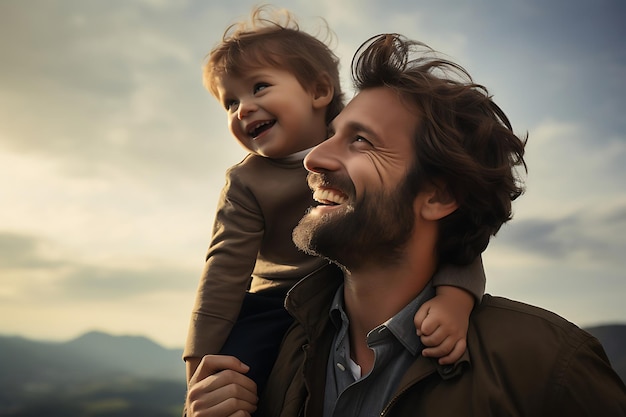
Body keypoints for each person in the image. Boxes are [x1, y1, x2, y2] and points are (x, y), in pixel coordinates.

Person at [185, 33, 626, 416]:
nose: (315, 159)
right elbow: (220, 278)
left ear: (438, 196)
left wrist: (456, 298)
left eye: (360, 140)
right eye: (332, 135)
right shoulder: (274, 360)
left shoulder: (549, 369)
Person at [183, 6, 486, 397]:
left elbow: (451, 230)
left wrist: (455, 299)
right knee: (239, 380)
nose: (242, 108)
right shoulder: (246, 181)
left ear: (319, 91)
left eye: (259, 87)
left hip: (362, 289)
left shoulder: (367, 141)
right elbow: (222, 273)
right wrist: (199, 365)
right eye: (229, 102)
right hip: (280, 301)